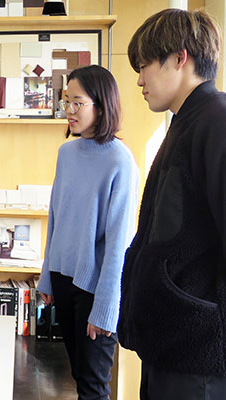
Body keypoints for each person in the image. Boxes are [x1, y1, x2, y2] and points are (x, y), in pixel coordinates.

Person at [118, 9, 226, 399]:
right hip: (174, 346)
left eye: (144, 65)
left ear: (180, 58)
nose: (139, 79)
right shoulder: (187, 121)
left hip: (197, 355)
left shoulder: (216, 119)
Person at [37, 65, 139, 400]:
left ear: (101, 105)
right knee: (79, 375)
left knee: (94, 386)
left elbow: (118, 246)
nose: (69, 111)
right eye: (66, 102)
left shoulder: (120, 162)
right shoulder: (66, 153)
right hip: (64, 281)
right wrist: (47, 278)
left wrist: (106, 309)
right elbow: (56, 218)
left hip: (96, 290)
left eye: (77, 103)